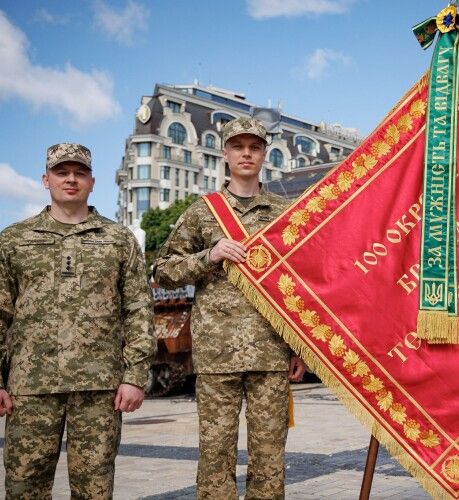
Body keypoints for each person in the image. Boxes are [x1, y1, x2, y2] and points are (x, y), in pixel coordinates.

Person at [0, 143, 155, 499]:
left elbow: (138, 312)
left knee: (95, 490)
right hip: (30, 390)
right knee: (25, 488)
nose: (71, 179)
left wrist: (135, 377)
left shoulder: (118, 240)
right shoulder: (16, 240)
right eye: (61, 172)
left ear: (92, 181)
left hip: (100, 390)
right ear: (46, 179)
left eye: (79, 172)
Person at [153, 117, 306, 499]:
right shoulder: (204, 211)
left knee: (270, 458)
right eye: (238, 147)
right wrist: (210, 254)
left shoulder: (283, 212)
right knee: (216, 457)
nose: (246, 154)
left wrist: (299, 347)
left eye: (254, 147)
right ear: (225, 153)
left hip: (270, 352)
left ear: (264, 154)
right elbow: (162, 271)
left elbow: (300, 284)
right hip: (217, 355)